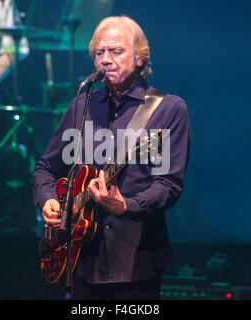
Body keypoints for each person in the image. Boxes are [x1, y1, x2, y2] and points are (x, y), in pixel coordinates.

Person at [33, 15, 191, 300]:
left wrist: (126, 205)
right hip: (79, 258)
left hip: (136, 260)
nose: (105, 59)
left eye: (115, 51)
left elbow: (168, 185)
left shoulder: (168, 110)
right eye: (99, 53)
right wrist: (48, 200)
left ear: (140, 58)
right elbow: (47, 168)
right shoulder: (82, 104)